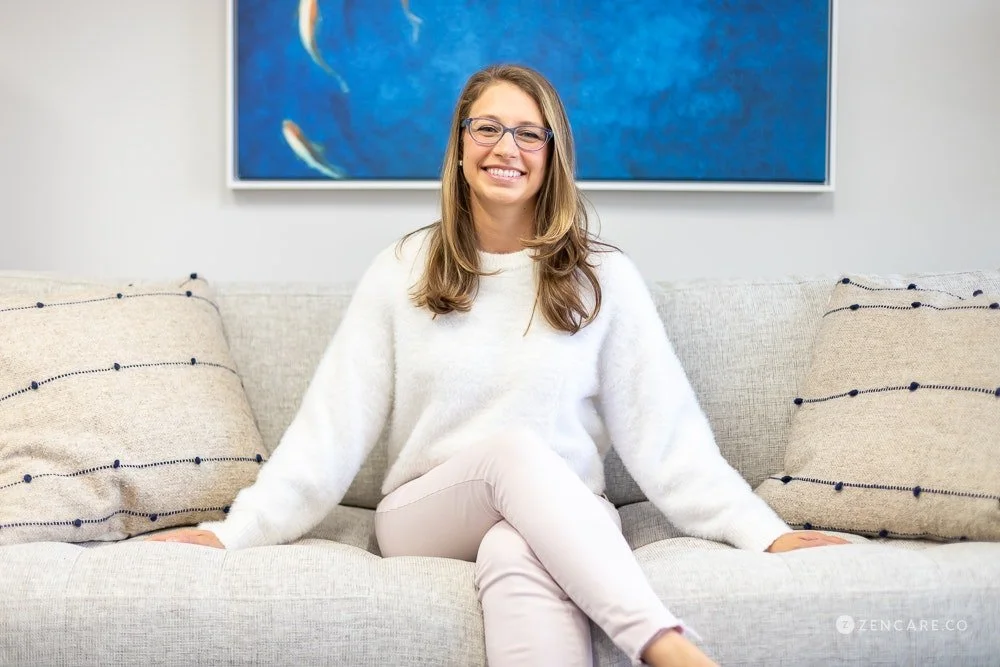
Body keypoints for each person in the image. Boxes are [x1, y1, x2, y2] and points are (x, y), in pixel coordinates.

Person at [149, 63, 849, 666]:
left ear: (552, 153)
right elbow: (328, 433)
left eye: (527, 132)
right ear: (458, 147)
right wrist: (231, 532)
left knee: (517, 548)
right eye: (486, 128)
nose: (504, 147)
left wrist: (766, 531)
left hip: (564, 516)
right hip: (426, 515)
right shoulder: (402, 269)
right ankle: (666, 643)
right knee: (513, 452)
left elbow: (669, 442)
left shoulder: (603, 277)